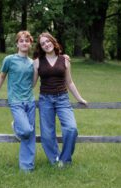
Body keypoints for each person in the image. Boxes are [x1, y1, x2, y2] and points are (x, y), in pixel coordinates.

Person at [0, 31, 36, 172]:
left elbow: (34, 83)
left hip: (30, 101)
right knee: (25, 130)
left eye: (27, 41)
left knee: (29, 136)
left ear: (30, 43)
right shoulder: (9, 60)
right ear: (17, 44)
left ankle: (27, 168)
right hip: (16, 101)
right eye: (21, 41)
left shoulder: (33, 63)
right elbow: (1, 77)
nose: (24, 43)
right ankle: (16, 126)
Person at [33, 32, 87, 168]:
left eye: (48, 41)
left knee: (71, 129)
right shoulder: (38, 61)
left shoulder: (65, 60)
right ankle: (55, 160)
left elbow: (69, 82)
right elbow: (32, 84)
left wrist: (79, 98)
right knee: (47, 134)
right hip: (45, 99)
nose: (46, 44)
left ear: (53, 41)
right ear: (41, 47)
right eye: (43, 43)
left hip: (62, 98)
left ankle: (65, 160)